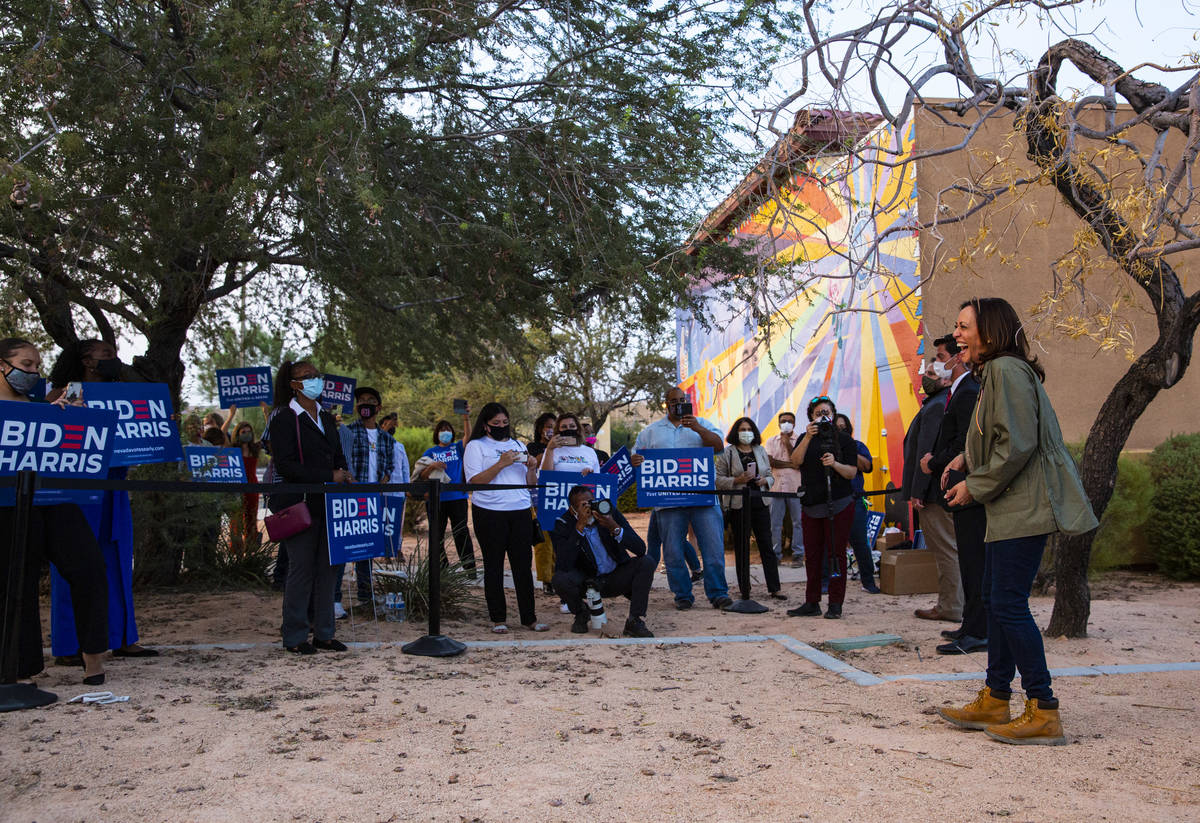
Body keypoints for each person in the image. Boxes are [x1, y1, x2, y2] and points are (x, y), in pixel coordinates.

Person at [938, 297, 1097, 745]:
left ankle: (1044, 709)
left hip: (1024, 507)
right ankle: (995, 697)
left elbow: (1019, 443)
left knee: (1006, 603)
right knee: (996, 599)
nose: (957, 335)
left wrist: (975, 484)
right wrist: (964, 457)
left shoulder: (1006, 371)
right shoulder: (997, 373)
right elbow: (998, 434)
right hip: (1010, 508)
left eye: (964, 326)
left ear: (989, 331)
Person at [0, 338, 110, 685]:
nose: (33, 372)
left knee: (89, 568)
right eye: (26, 365)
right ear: (2, 365)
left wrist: (69, 417)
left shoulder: (44, 402)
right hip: (9, 507)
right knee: (17, 584)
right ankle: (21, 668)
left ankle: (93, 659)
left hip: (58, 499)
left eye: (36, 365)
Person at [45, 339, 156, 662]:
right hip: (76, 489)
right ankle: (70, 646)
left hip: (114, 485)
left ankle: (122, 636)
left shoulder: (121, 392)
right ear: (86, 360)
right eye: (106, 355)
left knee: (118, 561)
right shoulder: (68, 392)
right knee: (74, 564)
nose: (113, 360)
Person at [267, 359, 353, 654]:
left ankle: (324, 632)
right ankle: (295, 636)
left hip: (329, 503)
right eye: (307, 376)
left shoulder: (326, 417)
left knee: (328, 569)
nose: (315, 380)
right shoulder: (284, 418)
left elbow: (337, 454)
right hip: (300, 504)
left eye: (317, 375)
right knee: (301, 570)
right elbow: (286, 464)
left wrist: (343, 473)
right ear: (294, 385)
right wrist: (328, 476)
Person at [631, 387, 731, 610]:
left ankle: (718, 593)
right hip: (669, 501)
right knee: (673, 552)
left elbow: (718, 446)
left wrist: (697, 428)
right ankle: (682, 595)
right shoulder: (651, 431)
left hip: (703, 498)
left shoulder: (702, 423)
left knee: (712, 549)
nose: (678, 404)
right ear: (666, 403)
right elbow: (635, 455)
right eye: (673, 401)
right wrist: (636, 460)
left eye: (682, 400)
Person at [922, 334, 987, 654]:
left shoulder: (969, 392)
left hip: (969, 485)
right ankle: (971, 625)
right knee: (969, 558)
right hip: (957, 483)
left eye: (941, 355)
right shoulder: (958, 392)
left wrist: (934, 461)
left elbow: (965, 441)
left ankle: (978, 630)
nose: (936, 363)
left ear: (957, 359)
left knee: (973, 560)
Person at [463, 402, 548, 633]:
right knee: (494, 565)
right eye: (496, 423)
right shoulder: (476, 446)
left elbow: (531, 484)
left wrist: (531, 467)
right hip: (489, 512)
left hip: (520, 509)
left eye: (505, 422)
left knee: (522, 565)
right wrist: (501, 464)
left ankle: (529, 618)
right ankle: (498, 618)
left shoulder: (518, 444)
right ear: (486, 426)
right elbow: (474, 481)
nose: (502, 426)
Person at [336, 386, 410, 616]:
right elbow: (340, 461)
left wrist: (382, 481)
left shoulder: (387, 439)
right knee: (343, 550)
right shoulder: (346, 432)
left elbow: (389, 466)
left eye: (370, 401)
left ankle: (366, 597)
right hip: (350, 498)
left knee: (366, 551)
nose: (365, 404)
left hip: (373, 499)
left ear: (378, 407)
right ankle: (334, 600)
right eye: (361, 401)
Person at [785, 396, 859, 619]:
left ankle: (835, 603)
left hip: (839, 504)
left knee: (836, 554)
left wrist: (834, 463)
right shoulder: (805, 439)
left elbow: (852, 472)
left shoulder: (844, 440)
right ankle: (812, 601)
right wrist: (807, 436)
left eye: (827, 412)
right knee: (813, 555)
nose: (823, 416)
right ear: (811, 418)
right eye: (818, 413)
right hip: (812, 505)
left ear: (834, 414)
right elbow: (795, 461)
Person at [901, 359, 962, 623]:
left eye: (929, 373)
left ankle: (951, 606)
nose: (923, 378)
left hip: (934, 492)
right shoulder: (937, 404)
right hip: (939, 489)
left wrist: (918, 491)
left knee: (946, 550)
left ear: (945, 379)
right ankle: (954, 603)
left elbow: (926, 454)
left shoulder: (937, 407)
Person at [550, 485, 655, 637]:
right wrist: (579, 527)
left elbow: (640, 549)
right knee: (559, 579)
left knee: (646, 562)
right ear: (573, 509)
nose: (590, 508)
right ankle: (581, 612)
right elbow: (563, 564)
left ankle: (634, 620)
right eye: (584, 505)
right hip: (586, 580)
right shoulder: (563, 523)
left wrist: (614, 527)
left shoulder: (607, 512)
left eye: (592, 502)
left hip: (615, 576)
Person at [715, 417, 783, 599]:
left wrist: (764, 481)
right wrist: (737, 480)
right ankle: (745, 589)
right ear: (736, 432)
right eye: (742, 429)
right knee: (742, 547)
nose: (746, 432)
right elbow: (718, 479)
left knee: (766, 546)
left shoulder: (760, 450)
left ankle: (775, 587)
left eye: (749, 429)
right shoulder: (726, 453)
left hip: (760, 502)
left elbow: (770, 475)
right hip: (738, 505)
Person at [414, 419, 477, 577]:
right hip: (436, 500)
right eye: (442, 429)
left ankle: (470, 570)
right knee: (437, 534)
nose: (445, 432)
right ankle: (441, 570)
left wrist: (466, 418)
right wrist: (432, 466)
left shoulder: (457, 448)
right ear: (437, 433)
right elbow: (421, 475)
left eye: (448, 429)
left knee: (461, 533)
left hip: (457, 498)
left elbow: (468, 436)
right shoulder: (430, 452)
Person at [834, 414, 880, 594]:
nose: (840, 430)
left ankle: (868, 581)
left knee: (860, 542)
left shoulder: (857, 445)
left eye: (843, 427)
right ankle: (827, 581)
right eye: (837, 428)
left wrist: (849, 448)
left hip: (854, 501)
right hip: (832, 501)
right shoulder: (826, 448)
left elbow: (867, 467)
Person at [764, 411, 805, 566]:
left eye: (789, 421)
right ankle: (775, 554)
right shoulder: (771, 441)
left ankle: (798, 555)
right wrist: (790, 464)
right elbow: (770, 461)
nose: (786, 423)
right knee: (774, 523)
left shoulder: (801, 440)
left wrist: (788, 443)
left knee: (798, 522)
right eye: (783, 421)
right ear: (779, 423)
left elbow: (799, 461)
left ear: (794, 424)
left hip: (795, 488)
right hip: (776, 488)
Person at [526, 411, 558, 595]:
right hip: (539, 499)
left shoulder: (561, 448)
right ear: (540, 429)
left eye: (554, 427)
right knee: (543, 542)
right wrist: (549, 448)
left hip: (559, 497)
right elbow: (537, 464)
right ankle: (546, 579)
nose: (551, 430)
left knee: (560, 541)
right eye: (548, 427)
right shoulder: (533, 447)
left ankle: (560, 576)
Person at [230, 417, 264, 554]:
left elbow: (269, 433)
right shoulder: (232, 449)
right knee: (236, 520)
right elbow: (221, 435)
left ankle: (251, 550)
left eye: (249, 431)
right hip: (237, 487)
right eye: (243, 432)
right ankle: (235, 551)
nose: (247, 434)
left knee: (251, 519)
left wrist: (265, 414)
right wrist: (231, 415)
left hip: (252, 486)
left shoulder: (254, 448)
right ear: (238, 434)